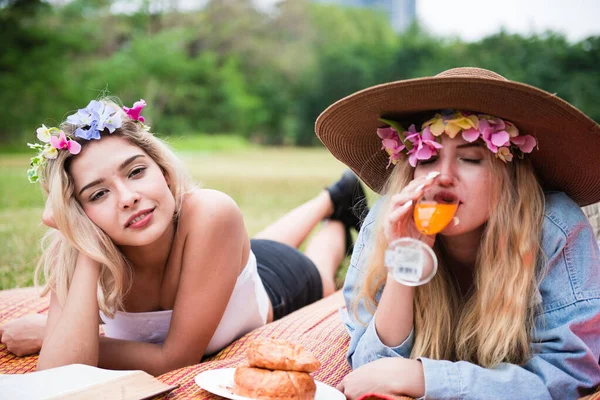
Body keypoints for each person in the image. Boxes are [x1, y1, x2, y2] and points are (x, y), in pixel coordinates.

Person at [0, 98, 369, 375]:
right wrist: (83, 241)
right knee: (255, 245)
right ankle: (335, 196)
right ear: (77, 212)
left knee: (319, 271)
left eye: (136, 171)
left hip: (280, 283)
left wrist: (49, 333)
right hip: (222, 262)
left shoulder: (210, 212)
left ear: (161, 169)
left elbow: (175, 360)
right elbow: (59, 378)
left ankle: (333, 207)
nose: (128, 197)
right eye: (98, 194)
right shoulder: (78, 247)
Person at [314, 67, 600, 399]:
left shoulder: (555, 229)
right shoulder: (387, 221)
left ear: (510, 176)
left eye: (470, 159)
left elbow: (570, 373)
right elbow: (371, 368)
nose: (443, 176)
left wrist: (426, 378)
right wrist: (405, 259)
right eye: (428, 156)